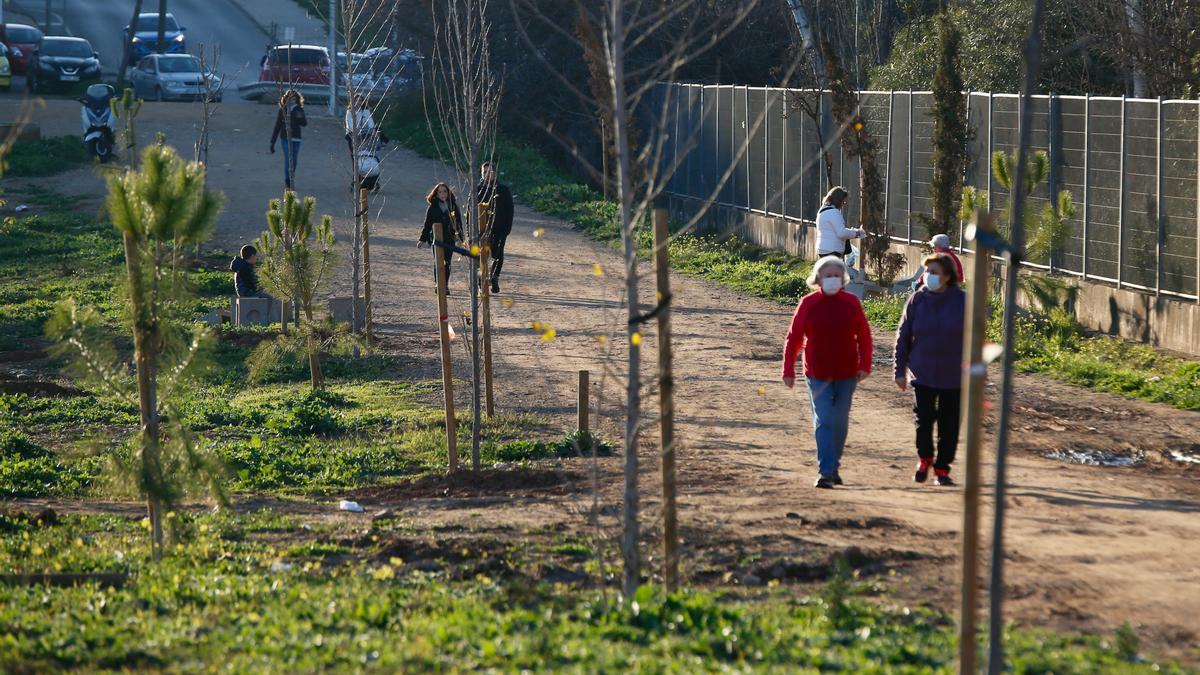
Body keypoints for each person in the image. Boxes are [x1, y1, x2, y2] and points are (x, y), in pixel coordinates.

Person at [781, 255, 873, 489]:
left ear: (843, 279)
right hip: (817, 372)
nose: (832, 279)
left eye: (836, 276)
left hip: (847, 372)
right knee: (824, 420)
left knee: (840, 422)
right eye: (827, 275)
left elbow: (863, 336)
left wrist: (865, 366)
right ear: (818, 278)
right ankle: (825, 471)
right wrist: (788, 369)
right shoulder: (808, 303)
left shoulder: (852, 302)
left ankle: (834, 465)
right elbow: (794, 337)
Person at [894, 254, 966, 486]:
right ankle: (924, 458)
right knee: (923, 420)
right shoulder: (917, 300)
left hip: (954, 375)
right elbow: (903, 336)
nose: (929, 276)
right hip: (922, 373)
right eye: (927, 272)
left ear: (947, 276)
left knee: (949, 424)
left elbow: (975, 338)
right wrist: (899, 369)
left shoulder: (962, 301)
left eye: (934, 272)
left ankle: (942, 469)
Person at [476, 161, 513, 294]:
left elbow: (510, 210)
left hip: (500, 228)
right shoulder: (478, 190)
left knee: (498, 253)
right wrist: (471, 229)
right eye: (484, 172)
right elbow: (471, 211)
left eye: (490, 171)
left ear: (495, 173)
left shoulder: (503, 190)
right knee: (482, 254)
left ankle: (495, 276)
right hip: (482, 229)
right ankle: (481, 280)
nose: (487, 174)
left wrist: (507, 228)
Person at [418, 182, 465, 287]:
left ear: (448, 193)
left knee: (447, 263)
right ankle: (438, 285)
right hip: (436, 239)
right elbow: (427, 225)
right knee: (438, 262)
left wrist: (461, 240)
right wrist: (422, 239)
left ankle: (445, 285)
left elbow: (458, 224)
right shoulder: (432, 208)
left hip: (449, 239)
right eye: (440, 192)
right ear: (436, 194)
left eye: (444, 191)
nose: (442, 194)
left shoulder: (453, 207)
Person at [269, 90, 307, 190]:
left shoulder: (299, 109)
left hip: (297, 139)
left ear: (297, 99)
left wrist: (300, 117)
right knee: (288, 160)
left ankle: (291, 178)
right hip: (285, 138)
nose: (292, 100)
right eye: (290, 98)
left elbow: (304, 124)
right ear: (286, 98)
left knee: (294, 160)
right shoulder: (283, 110)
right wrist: (272, 142)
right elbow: (277, 126)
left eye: (294, 98)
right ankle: (288, 181)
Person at [815, 186, 864, 259]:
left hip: (822, 248)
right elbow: (841, 233)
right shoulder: (834, 212)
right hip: (832, 249)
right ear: (838, 200)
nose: (843, 204)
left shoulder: (822, 211)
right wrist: (856, 233)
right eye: (843, 202)